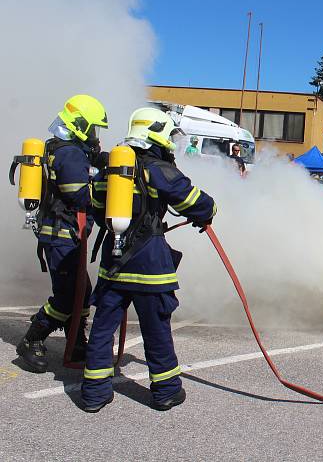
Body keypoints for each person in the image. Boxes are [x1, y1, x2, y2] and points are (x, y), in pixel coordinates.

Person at [81, 107, 216, 412]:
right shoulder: (157, 168)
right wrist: (209, 212)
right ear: (156, 134)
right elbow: (195, 201)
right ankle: (166, 390)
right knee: (156, 329)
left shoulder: (110, 169)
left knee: (103, 328)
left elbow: (98, 207)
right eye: (168, 136)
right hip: (150, 264)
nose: (170, 143)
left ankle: (94, 393)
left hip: (113, 262)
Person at [16, 95, 109, 373]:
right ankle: (32, 339)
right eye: (92, 129)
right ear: (79, 126)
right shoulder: (69, 153)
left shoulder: (66, 149)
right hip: (60, 234)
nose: (95, 135)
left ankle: (76, 341)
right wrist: (105, 182)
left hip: (66, 232)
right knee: (69, 295)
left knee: (82, 290)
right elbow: (79, 196)